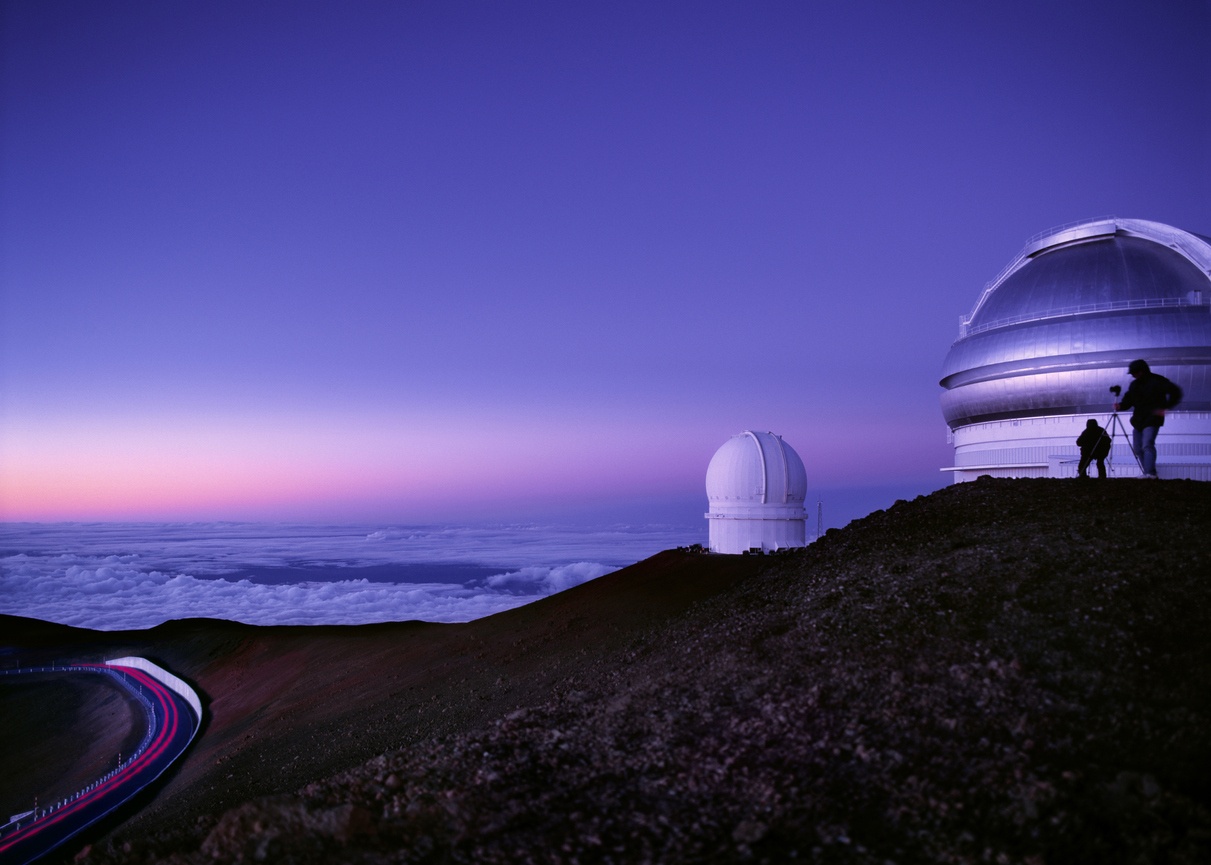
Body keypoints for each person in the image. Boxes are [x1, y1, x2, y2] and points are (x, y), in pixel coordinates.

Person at [1115, 359, 1183, 478]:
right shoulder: (1134, 385)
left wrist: (1166, 407)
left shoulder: (1158, 381)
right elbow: (1128, 400)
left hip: (1152, 419)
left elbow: (1175, 392)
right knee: (1138, 449)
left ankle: (1150, 473)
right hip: (1138, 421)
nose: (1132, 375)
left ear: (1141, 371)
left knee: (1147, 444)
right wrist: (1121, 406)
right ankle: (1148, 472)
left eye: (1134, 373)